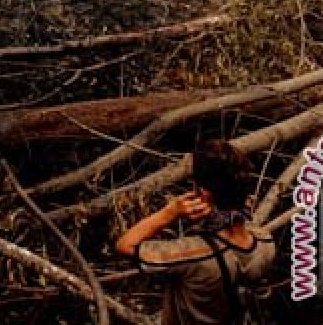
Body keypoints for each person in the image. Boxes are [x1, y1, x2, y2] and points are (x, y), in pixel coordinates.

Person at [115, 139, 275, 325]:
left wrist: (170, 212)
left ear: (204, 194)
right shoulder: (265, 241)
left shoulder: (193, 253)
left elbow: (124, 244)